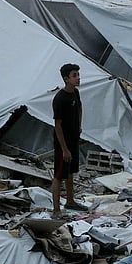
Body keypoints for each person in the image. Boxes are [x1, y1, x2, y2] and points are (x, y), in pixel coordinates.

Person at [51, 63, 87, 216]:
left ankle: (70, 201)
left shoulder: (75, 93)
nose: (78, 78)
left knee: (71, 172)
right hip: (63, 142)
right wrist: (64, 149)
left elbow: (80, 107)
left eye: (78, 75)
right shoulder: (60, 98)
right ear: (66, 79)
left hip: (73, 138)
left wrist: (79, 125)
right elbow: (57, 126)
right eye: (74, 75)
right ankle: (56, 209)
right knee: (59, 175)